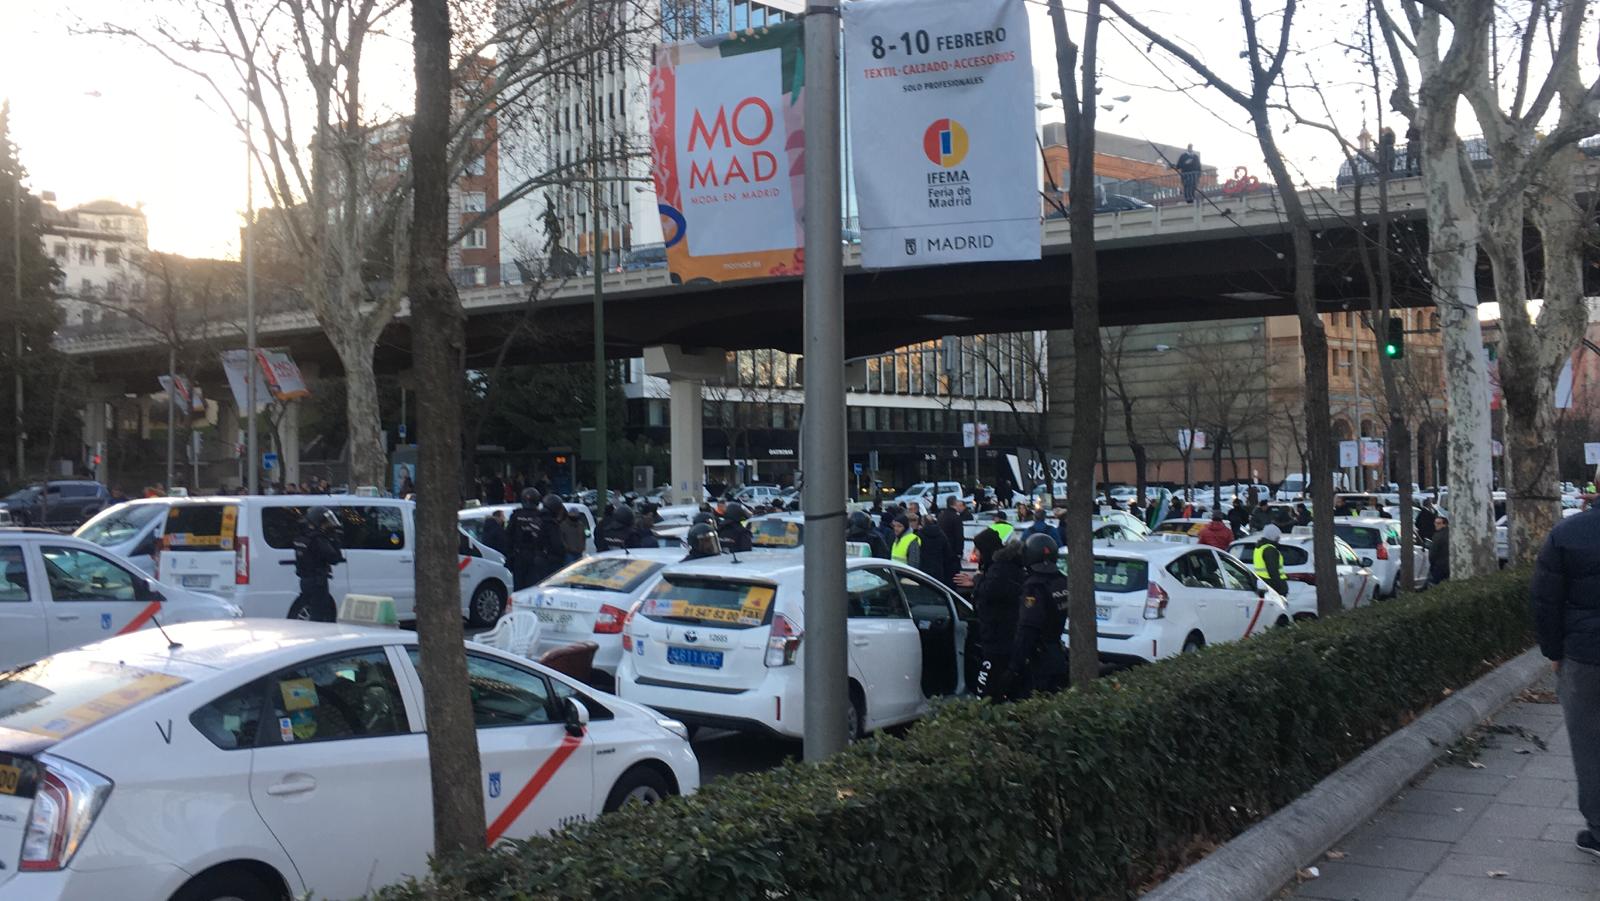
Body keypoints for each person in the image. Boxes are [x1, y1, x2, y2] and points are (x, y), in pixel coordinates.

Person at [1530, 500, 1600, 860]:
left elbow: (1546, 600)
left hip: (1584, 657)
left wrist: (1554, 652)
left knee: (1589, 746)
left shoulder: (1566, 534)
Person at [1003, 533, 1070, 700]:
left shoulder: (1034, 587)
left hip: (1038, 661)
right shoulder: (1063, 581)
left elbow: (1028, 629)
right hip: (1057, 654)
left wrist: (1013, 668)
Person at [970, 531, 1025, 700]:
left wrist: (978, 581)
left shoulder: (999, 570)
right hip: (1001, 637)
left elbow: (989, 593)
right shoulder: (1002, 567)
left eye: (977, 550)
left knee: (986, 689)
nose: (975, 554)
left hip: (997, 639)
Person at [290, 506, 345, 622]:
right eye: (326, 523)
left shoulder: (302, 537)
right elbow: (334, 558)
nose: (328, 526)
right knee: (318, 614)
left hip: (305, 580)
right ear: (318, 522)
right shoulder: (318, 539)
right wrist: (335, 539)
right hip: (318, 581)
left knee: (310, 609)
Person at [916, 513, 954, 586]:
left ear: (922, 523)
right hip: (938, 569)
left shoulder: (919, 535)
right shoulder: (941, 534)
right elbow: (948, 553)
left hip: (923, 569)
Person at [1252, 524, 1289, 597]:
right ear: (1272, 536)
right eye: (1277, 535)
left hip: (1265, 584)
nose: (1279, 538)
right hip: (1273, 586)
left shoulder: (1259, 547)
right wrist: (1280, 589)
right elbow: (1273, 571)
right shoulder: (1270, 550)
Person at [938, 497, 965, 564]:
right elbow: (959, 536)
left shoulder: (941, 516)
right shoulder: (956, 517)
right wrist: (959, 552)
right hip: (953, 551)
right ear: (955, 503)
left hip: (942, 549)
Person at [1428, 514, 1450, 584]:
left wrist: (1432, 564)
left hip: (1439, 566)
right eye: (1435, 523)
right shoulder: (1451, 533)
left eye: (1438, 523)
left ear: (1444, 524)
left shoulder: (1438, 536)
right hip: (1448, 566)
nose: (1436, 525)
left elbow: (1432, 553)